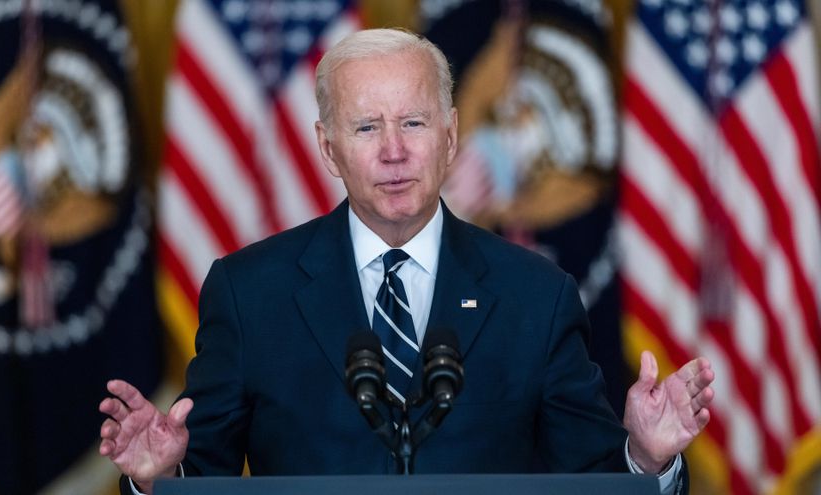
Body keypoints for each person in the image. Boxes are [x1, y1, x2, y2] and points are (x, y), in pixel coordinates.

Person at [98, 28, 714, 495]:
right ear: (328, 148)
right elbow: (202, 475)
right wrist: (160, 475)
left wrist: (645, 458)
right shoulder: (249, 292)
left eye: (413, 123)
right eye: (367, 128)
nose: (394, 151)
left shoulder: (537, 295)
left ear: (449, 136)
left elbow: (592, 480)